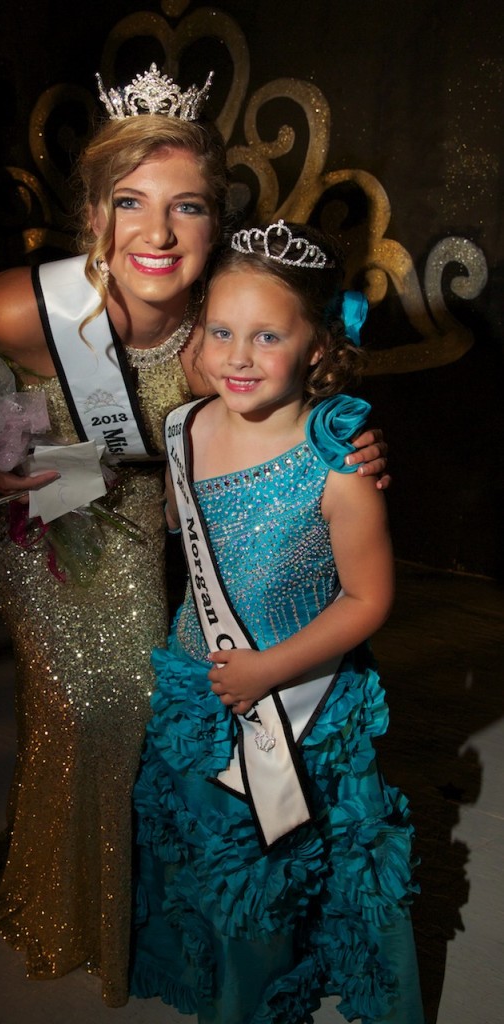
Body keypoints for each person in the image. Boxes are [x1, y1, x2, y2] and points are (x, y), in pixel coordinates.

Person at [0, 67, 389, 1008]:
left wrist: (350, 436)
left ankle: (93, 870)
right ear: (91, 213)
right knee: (88, 700)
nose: (158, 233)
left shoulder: (216, 325)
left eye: (186, 207)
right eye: (130, 203)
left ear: (215, 222)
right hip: (35, 518)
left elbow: (286, 391)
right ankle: (59, 899)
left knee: (144, 703)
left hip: (138, 509)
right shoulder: (18, 311)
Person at [130, 220, 424, 1022]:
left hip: (305, 696)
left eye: (267, 336)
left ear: (319, 349)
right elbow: (184, 534)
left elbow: (369, 600)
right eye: (221, 331)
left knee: (295, 850)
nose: (238, 355)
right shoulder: (183, 430)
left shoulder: (340, 466)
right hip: (202, 683)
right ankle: (231, 983)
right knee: (219, 849)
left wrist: (268, 669)